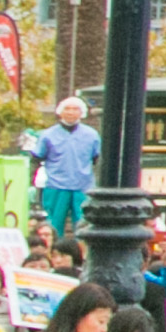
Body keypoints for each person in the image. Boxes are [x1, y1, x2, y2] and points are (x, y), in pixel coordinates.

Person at [25, 100, 99, 242]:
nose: (71, 112)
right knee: (53, 224)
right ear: (60, 112)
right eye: (67, 109)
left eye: (75, 109)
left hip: (83, 187)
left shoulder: (92, 135)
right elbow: (37, 157)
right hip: (56, 186)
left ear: (81, 113)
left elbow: (96, 158)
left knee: (84, 225)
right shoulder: (47, 135)